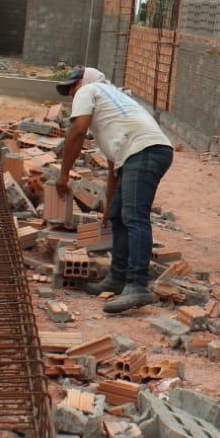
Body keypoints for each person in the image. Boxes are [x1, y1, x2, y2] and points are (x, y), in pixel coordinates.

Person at [54, 67, 174, 314]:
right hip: (142, 152)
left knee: (135, 216)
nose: (71, 94)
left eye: (72, 87)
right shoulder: (113, 110)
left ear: (84, 82)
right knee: (120, 214)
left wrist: (63, 174)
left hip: (144, 151)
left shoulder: (89, 90)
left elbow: (76, 132)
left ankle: (138, 284)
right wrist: (109, 207)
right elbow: (114, 169)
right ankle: (118, 278)